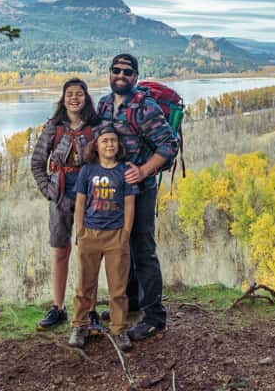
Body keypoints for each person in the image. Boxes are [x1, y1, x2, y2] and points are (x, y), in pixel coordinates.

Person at [96, 53, 178, 341]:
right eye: (116, 70)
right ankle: (129, 301)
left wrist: (143, 171)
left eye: (127, 72)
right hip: (115, 192)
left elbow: (168, 146)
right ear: (109, 73)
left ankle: (155, 316)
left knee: (143, 249)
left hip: (141, 191)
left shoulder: (146, 107)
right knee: (122, 247)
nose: (121, 76)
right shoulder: (104, 104)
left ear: (135, 76)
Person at [30, 77, 100, 330]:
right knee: (61, 251)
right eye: (69, 93)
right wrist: (48, 190)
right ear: (63, 98)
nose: (74, 98)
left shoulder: (96, 126)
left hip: (90, 198)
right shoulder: (53, 127)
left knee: (88, 253)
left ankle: (90, 310)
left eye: (79, 94)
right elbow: (37, 162)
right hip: (60, 196)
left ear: (86, 98)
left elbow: (107, 159)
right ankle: (58, 308)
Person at [68, 124, 138, 351]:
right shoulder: (88, 171)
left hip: (115, 236)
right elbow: (80, 202)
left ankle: (119, 329)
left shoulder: (124, 172)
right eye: (105, 141)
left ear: (118, 146)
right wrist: (80, 231)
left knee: (118, 288)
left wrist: (125, 233)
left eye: (113, 141)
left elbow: (129, 205)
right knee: (84, 285)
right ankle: (80, 325)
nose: (109, 144)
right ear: (96, 146)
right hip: (90, 234)